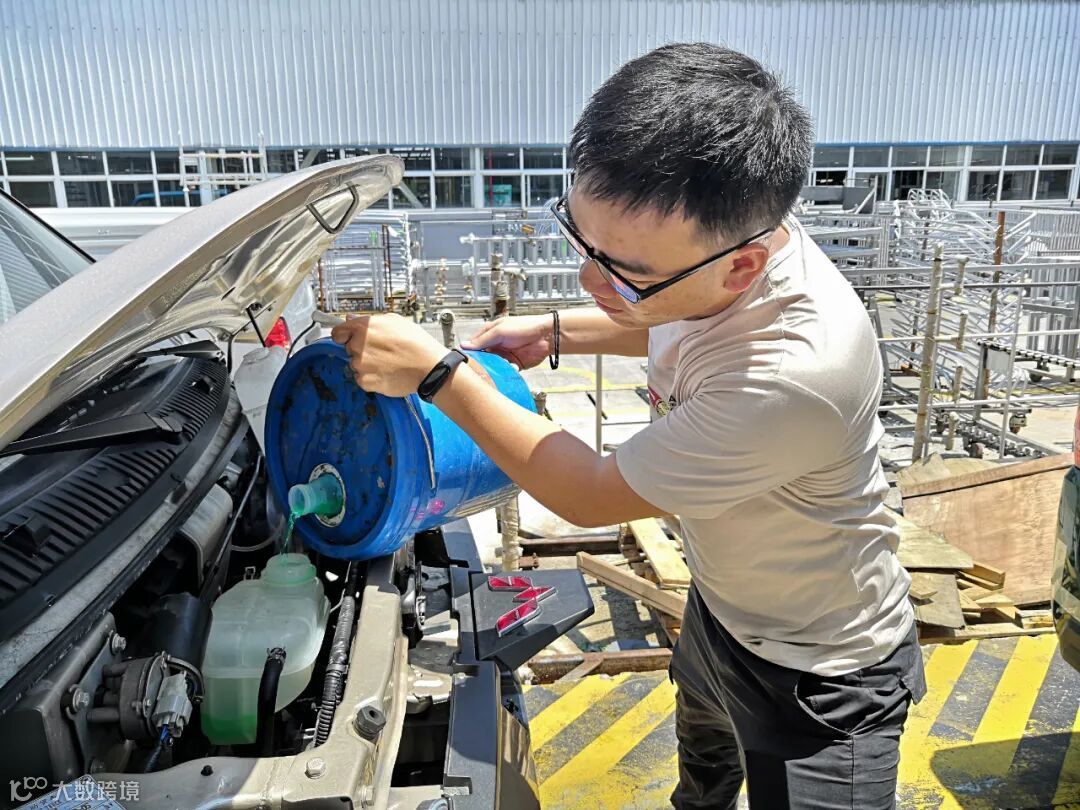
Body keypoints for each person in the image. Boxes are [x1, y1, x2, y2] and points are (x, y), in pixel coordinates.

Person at [331, 42, 925, 810]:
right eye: (584, 242)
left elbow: (589, 491)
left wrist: (441, 376)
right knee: (702, 787)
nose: (590, 280)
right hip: (720, 612)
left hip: (821, 671)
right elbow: (679, 316)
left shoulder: (795, 374)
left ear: (743, 265)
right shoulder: (722, 246)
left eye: (625, 274)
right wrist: (554, 332)